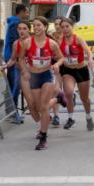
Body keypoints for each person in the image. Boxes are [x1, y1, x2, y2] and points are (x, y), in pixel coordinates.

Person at [18, 16, 67, 150]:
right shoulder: (27, 43)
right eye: (35, 25)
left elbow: (62, 58)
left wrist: (56, 64)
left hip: (47, 75)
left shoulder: (52, 44)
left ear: (45, 27)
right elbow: (21, 59)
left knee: (44, 107)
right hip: (33, 76)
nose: (37, 28)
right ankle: (58, 99)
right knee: (39, 106)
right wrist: (24, 71)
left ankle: (43, 138)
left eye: (39, 25)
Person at [59, 18, 94, 131]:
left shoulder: (78, 38)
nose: (65, 29)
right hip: (67, 70)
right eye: (62, 27)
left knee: (85, 98)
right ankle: (71, 118)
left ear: (72, 26)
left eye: (67, 26)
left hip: (81, 69)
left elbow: (88, 51)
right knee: (68, 93)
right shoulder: (60, 40)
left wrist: (90, 60)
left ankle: (88, 116)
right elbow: (56, 53)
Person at [2, 21, 40, 128]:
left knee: (37, 96)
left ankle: (44, 110)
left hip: (35, 72)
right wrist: (6, 65)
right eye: (19, 29)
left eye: (24, 28)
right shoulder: (16, 43)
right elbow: (13, 59)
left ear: (29, 29)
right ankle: (15, 114)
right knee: (15, 91)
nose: (21, 31)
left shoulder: (35, 41)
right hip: (21, 72)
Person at [3, 4, 29, 122]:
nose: (28, 15)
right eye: (27, 12)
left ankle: (10, 111)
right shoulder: (16, 24)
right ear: (22, 12)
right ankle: (13, 113)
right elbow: (15, 42)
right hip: (13, 58)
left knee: (13, 85)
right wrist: (19, 58)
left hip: (13, 57)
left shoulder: (14, 22)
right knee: (14, 86)